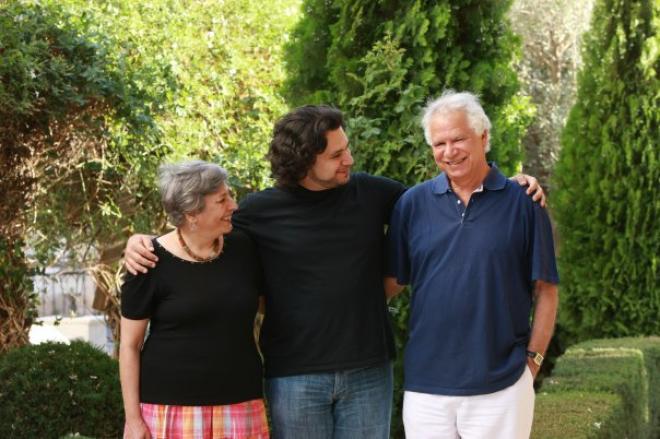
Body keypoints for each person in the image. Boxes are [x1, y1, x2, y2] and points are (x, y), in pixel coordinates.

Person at [123, 106, 546, 439]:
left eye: (347, 149)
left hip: (368, 371)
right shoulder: (258, 212)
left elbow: (447, 202)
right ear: (305, 161)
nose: (349, 159)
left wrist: (510, 186)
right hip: (294, 376)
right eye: (336, 154)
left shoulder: (375, 194)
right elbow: (200, 234)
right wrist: (142, 242)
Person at [385, 91, 559, 439]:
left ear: (483, 136)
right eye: (440, 143)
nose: (449, 151)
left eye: (459, 139)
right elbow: (390, 284)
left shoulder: (524, 203)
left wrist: (532, 363)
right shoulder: (412, 205)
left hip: (502, 387)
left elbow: (546, 290)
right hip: (425, 390)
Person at [119, 161, 268, 439]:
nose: (234, 205)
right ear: (191, 214)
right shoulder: (148, 260)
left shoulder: (244, 248)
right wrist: (133, 420)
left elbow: (266, 305)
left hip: (240, 403)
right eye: (222, 200)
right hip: (169, 409)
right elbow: (129, 346)